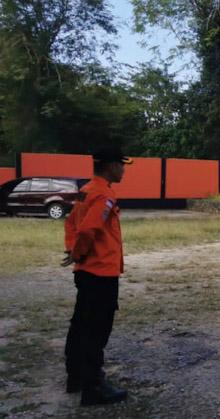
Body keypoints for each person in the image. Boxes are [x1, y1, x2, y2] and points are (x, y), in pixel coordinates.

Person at [63, 145, 132, 405]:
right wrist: (79, 252)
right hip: (101, 272)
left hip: (86, 272)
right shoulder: (104, 195)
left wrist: (73, 250)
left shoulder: (85, 191)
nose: (123, 169)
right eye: (121, 165)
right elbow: (89, 229)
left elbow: (71, 224)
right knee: (97, 329)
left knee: (80, 324)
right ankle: (93, 387)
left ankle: (76, 376)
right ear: (110, 166)